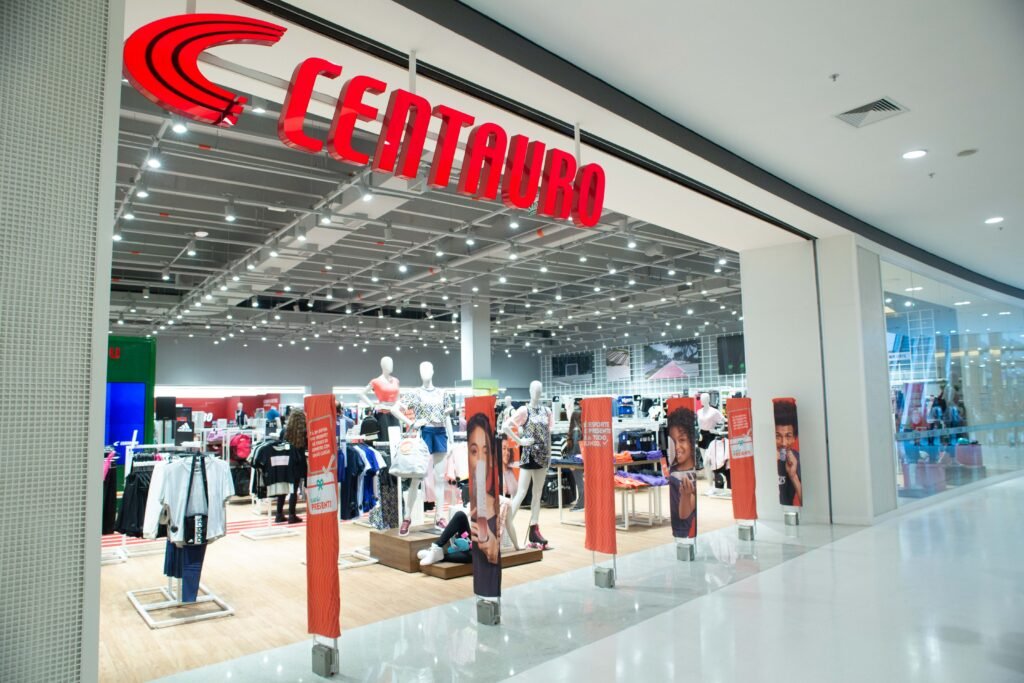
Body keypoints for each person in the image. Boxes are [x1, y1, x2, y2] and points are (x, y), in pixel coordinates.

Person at [664, 406, 697, 538]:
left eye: (682, 440)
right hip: (678, 531)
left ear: (691, 441)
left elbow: (684, 514)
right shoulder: (672, 470)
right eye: (673, 441)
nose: (677, 447)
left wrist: (685, 496)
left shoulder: (692, 475)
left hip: (685, 532)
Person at [774, 400, 802, 507]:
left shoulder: (796, 459)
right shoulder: (762, 458)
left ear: (794, 437)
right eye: (777, 436)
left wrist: (793, 476)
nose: (784, 443)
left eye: (788, 436)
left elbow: (806, 500)